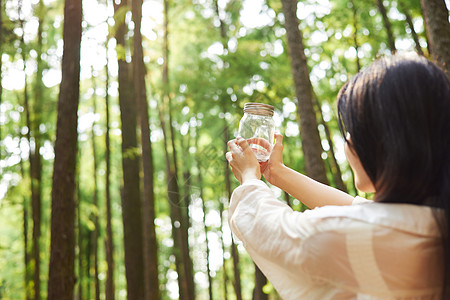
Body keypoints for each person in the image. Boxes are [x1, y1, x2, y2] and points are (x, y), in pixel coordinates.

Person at [225, 55, 450, 299]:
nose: (349, 141)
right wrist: (277, 173)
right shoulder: (431, 222)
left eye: (353, 130)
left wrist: (249, 177)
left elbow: (278, 234)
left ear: (388, 142)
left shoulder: (364, 235)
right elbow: (360, 209)